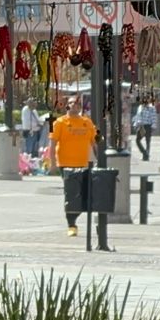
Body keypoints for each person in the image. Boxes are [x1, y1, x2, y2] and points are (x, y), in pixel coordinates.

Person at [52, 98, 100, 237]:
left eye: (78, 104)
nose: (75, 105)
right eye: (72, 103)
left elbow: (95, 142)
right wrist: (52, 163)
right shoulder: (59, 122)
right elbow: (53, 143)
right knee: (71, 194)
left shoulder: (87, 122)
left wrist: (100, 157)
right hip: (66, 164)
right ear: (67, 106)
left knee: (85, 194)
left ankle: (76, 215)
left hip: (84, 163)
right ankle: (71, 224)